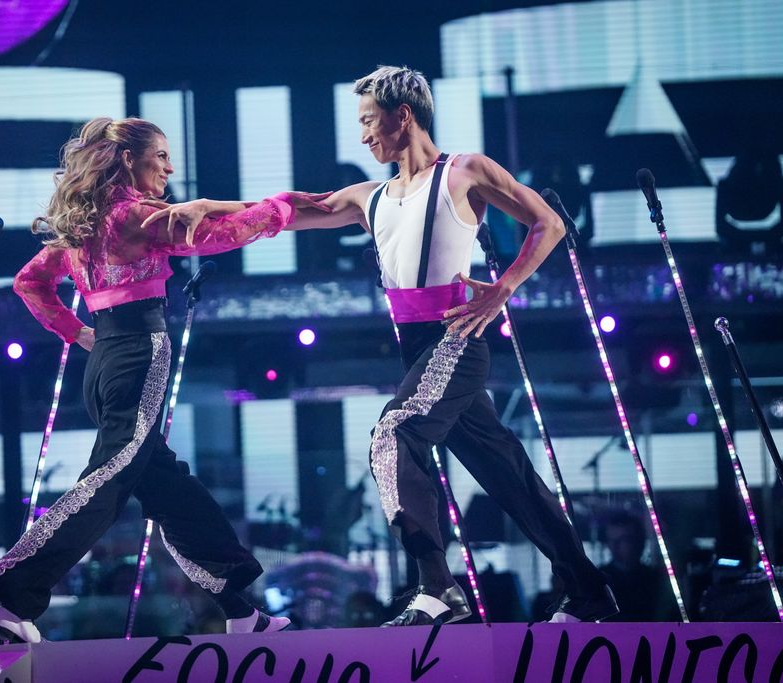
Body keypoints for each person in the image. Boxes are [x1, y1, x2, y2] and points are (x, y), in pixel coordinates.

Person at [145, 66, 617, 626]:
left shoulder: (464, 171)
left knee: (392, 435)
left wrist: (503, 290)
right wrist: (210, 208)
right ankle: (589, 591)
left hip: (455, 337)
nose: (364, 134)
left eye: (370, 120)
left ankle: (437, 587)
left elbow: (548, 223)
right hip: (416, 349)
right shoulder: (372, 196)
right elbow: (293, 207)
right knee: (508, 475)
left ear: (404, 114)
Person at [0, 117, 328, 642]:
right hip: (138, 353)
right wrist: (279, 209)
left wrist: (78, 334)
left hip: (106, 359)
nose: (169, 166)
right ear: (126, 160)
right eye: (160, 155)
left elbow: (31, 282)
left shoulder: (87, 224)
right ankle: (12, 596)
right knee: (109, 478)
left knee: (167, 485)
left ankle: (239, 607)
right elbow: (222, 235)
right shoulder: (135, 217)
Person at [599, 511, 675, 621]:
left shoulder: (655, 580)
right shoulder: (598, 580)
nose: (616, 546)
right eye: (612, 540)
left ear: (639, 541)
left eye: (624, 539)